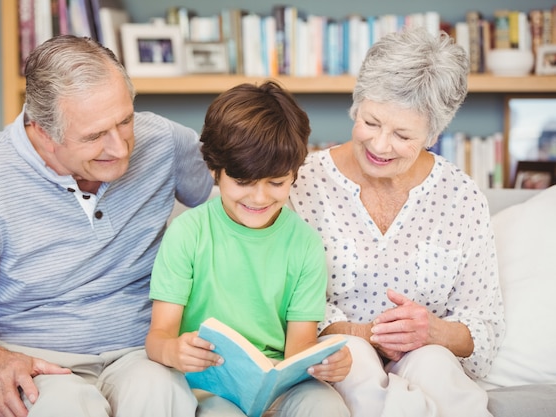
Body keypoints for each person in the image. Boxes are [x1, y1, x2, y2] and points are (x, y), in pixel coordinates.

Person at [0, 35, 214, 417]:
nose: (120, 147)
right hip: (35, 361)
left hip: (140, 351)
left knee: (159, 391)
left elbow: (244, 188)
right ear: (42, 133)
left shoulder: (161, 140)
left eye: (125, 120)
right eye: (95, 136)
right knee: (65, 407)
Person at [290, 27, 505, 417]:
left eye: (403, 134)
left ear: (433, 135)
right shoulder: (302, 183)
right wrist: (366, 335)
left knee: (433, 363)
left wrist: (433, 331)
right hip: (339, 359)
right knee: (355, 358)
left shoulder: (461, 196)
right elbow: (280, 302)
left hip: (428, 358)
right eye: (371, 123)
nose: (380, 145)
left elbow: (485, 325)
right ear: (356, 107)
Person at [145, 81, 352, 417]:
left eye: (276, 183)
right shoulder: (188, 233)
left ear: (294, 175)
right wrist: (173, 351)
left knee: (327, 406)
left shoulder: (304, 243)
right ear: (215, 170)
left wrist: (327, 364)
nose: (259, 198)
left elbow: (299, 350)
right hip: (207, 383)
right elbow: (158, 337)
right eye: (243, 182)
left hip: (278, 384)